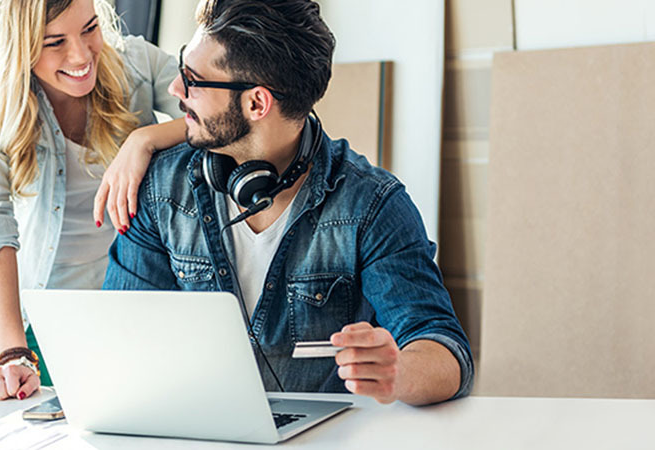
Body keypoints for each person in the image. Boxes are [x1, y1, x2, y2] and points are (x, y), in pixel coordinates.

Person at [103, 0, 474, 405]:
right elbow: (119, 337)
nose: (175, 89)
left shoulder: (371, 205)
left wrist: (398, 371)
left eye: (193, 79)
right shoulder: (161, 189)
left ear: (257, 103)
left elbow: (444, 351)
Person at [0, 0, 185, 401]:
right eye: (54, 42)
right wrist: (12, 353)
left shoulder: (136, 64)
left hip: (142, 310)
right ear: (18, 45)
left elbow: (223, 113)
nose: (80, 55)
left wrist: (144, 139)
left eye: (90, 28)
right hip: (46, 324)